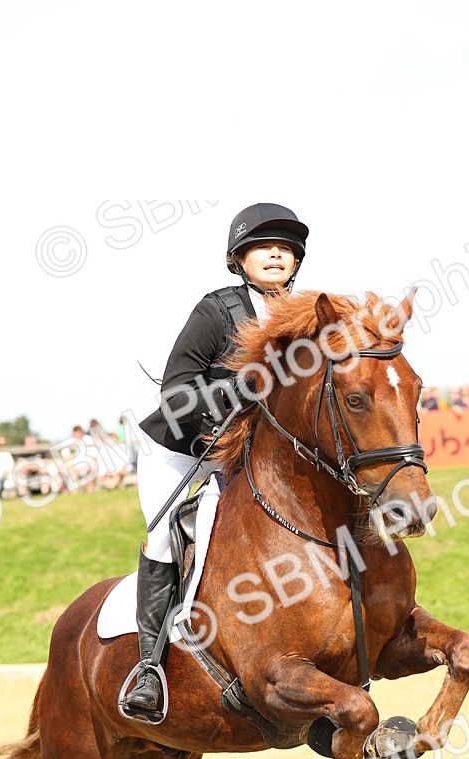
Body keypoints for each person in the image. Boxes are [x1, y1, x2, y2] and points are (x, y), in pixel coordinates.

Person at [122, 202, 309, 720]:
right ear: (239, 258)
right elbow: (176, 392)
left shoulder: (309, 316)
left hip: (251, 455)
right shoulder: (217, 310)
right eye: (263, 245)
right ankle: (149, 669)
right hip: (184, 450)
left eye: (287, 247)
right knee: (164, 536)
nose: (277, 253)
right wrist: (238, 388)